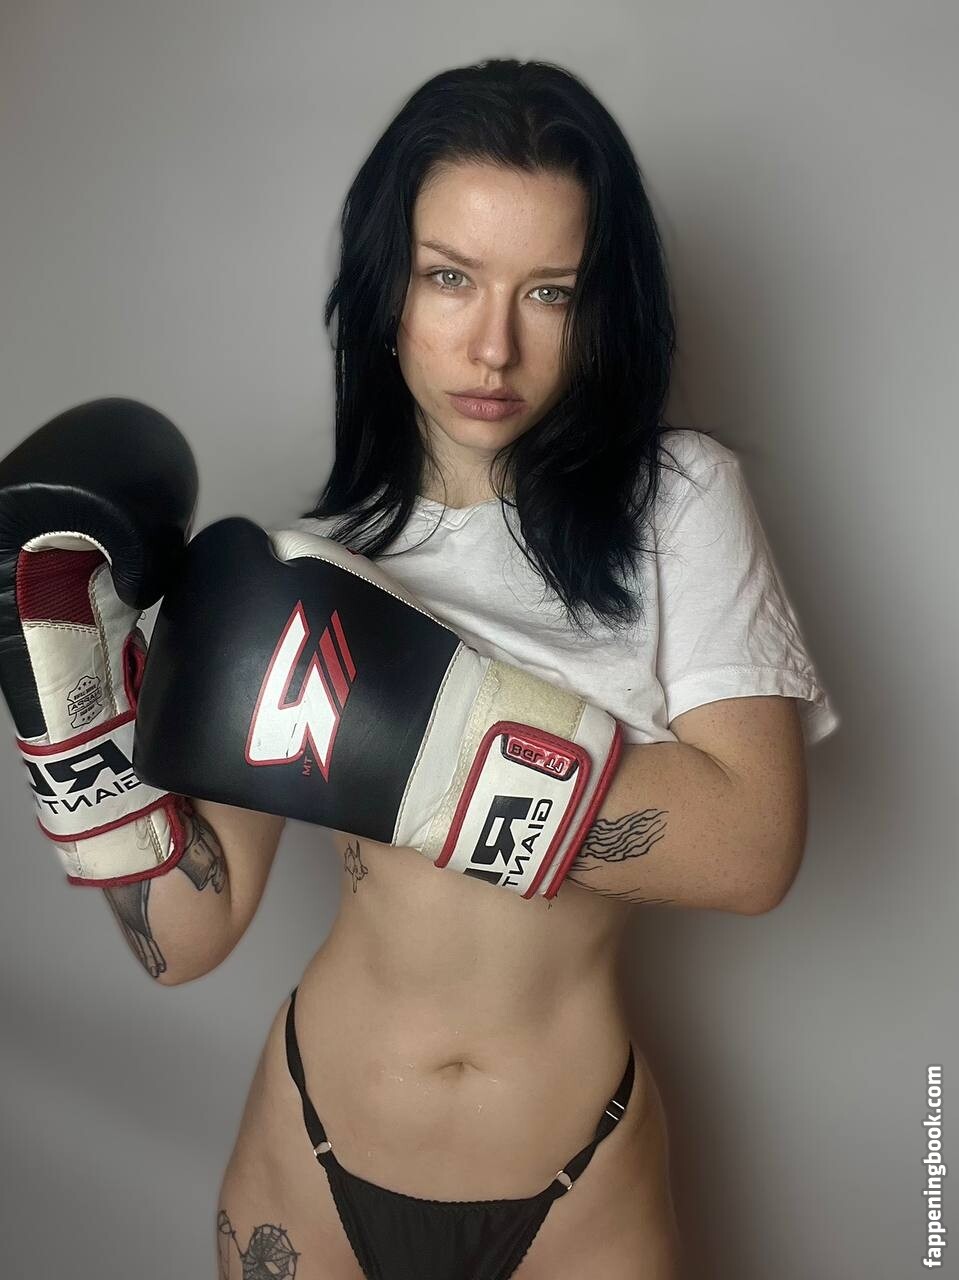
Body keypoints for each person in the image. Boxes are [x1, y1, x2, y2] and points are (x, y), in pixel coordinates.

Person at [0, 58, 840, 1280]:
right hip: (310, 1148)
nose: (491, 345)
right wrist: (64, 694)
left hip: (577, 1179)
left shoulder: (678, 505)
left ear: (598, 308)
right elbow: (182, 936)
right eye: (450, 276)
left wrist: (420, 741)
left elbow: (750, 846)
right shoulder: (309, 567)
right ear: (386, 288)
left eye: (547, 292)